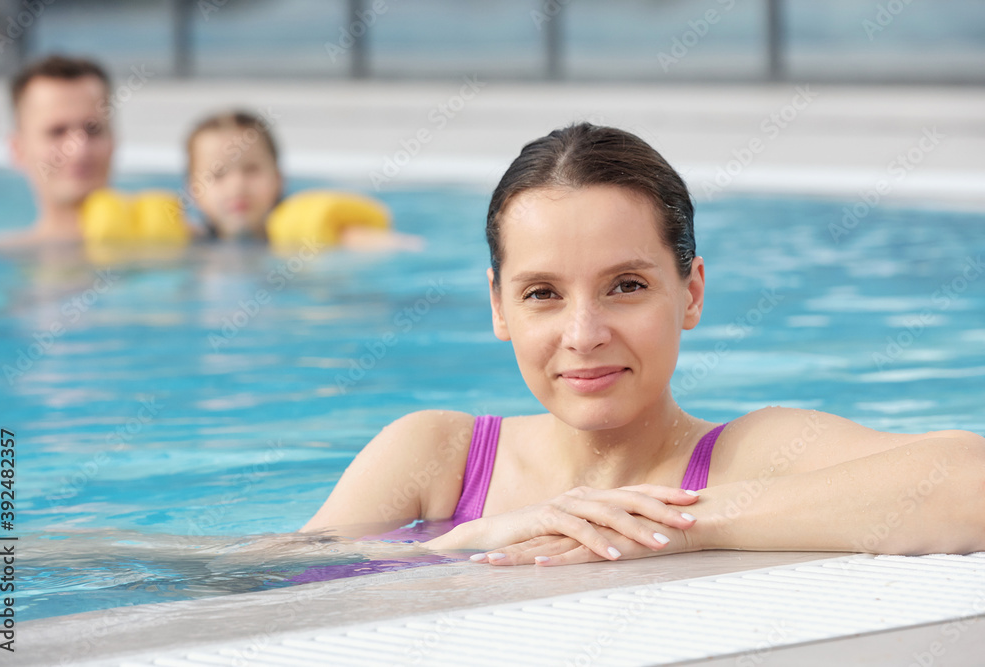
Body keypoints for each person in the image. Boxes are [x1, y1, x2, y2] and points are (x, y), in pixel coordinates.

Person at [301, 123, 985, 565]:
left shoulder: (749, 456)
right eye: (542, 292)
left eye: (625, 285)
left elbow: (969, 481)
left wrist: (674, 523)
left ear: (689, 293)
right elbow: (248, 582)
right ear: (497, 305)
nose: (584, 334)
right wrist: (464, 543)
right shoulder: (437, 458)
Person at [185, 110, 422, 250]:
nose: (237, 186)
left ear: (278, 179)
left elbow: (402, 247)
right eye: (218, 174)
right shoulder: (186, 242)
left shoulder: (309, 232)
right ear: (194, 190)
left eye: (252, 170)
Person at [1, 55, 114, 246]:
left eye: (93, 130)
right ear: (18, 150)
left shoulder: (175, 243)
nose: (79, 151)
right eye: (57, 132)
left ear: (114, 141)